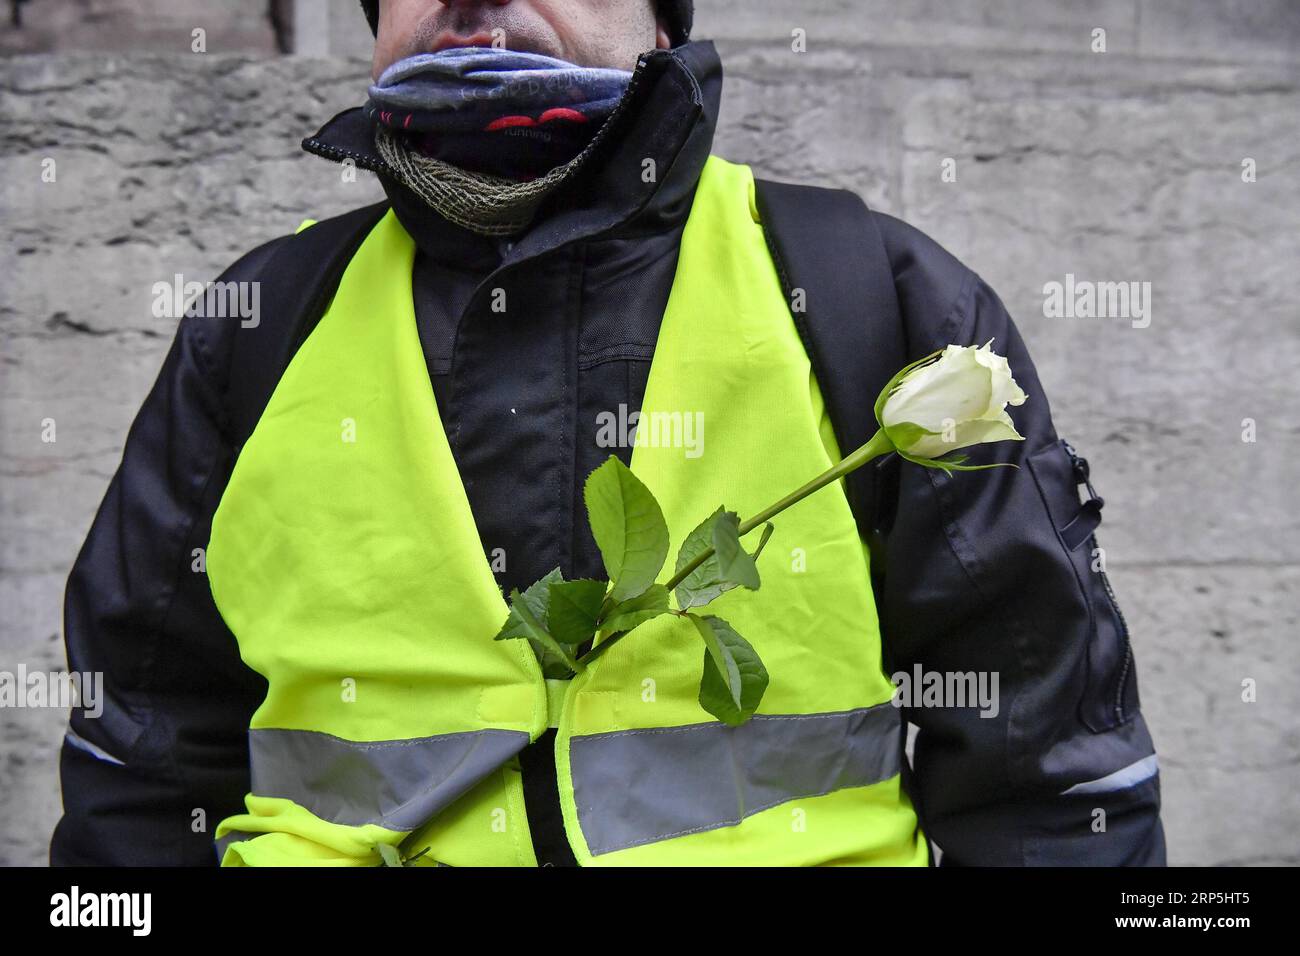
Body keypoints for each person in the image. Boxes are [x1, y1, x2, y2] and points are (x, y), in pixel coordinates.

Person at [50, 0, 1165, 867]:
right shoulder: (260, 327)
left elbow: (1048, 779)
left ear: (664, 16)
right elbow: (141, 763)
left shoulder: (870, 297)